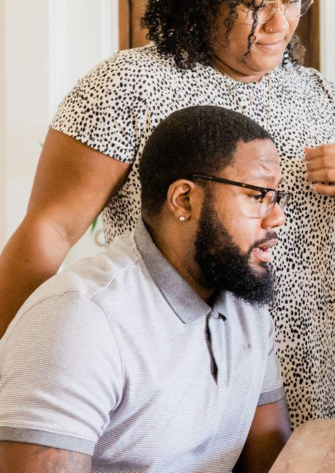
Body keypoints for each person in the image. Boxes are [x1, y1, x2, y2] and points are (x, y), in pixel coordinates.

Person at [0, 0, 335, 426]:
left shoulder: (318, 95)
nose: (282, 23)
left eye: (293, 0)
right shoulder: (127, 85)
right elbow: (49, 229)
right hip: (182, 383)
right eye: (259, 4)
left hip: (313, 377)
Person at [0, 106, 292, 473]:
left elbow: (272, 463)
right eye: (256, 195)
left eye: (276, 197)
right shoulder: (79, 319)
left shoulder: (247, 309)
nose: (277, 216)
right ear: (184, 199)